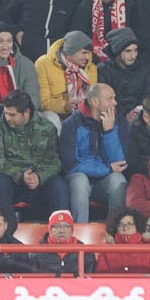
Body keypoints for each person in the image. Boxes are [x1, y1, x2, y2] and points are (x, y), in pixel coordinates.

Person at [0, 90, 66, 220]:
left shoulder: (47, 128)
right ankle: (5, 232)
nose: (7, 118)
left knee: (58, 184)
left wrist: (39, 177)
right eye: (6, 113)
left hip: (38, 182)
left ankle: (60, 229)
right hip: (12, 181)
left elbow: (54, 162)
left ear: (26, 112)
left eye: (12, 114)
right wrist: (20, 176)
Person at [58, 83, 127, 220]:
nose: (115, 102)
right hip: (80, 179)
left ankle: (115, 230)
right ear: (94, 102)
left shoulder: (119, 122)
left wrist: (109, 132)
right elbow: (70, 165)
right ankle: (79, 233)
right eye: (110, 98)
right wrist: (107, 168)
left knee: (118, 180)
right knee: (80, 181)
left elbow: (120, 164)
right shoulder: (71, 124)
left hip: (105, 180)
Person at [35, 31, 94, 128]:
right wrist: (66, 106)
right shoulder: (43, 64)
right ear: (70, 52)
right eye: (84, 53)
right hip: (54, 113)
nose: (87, 57)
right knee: (52, 119)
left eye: (89, 53)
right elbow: (42, 102)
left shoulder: (90, 68)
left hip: (82, 112)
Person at [98, 27, 150, 121]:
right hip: (111, 121)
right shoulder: (102, 70)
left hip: (141, 121)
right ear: (116, 51)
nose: (133, 56)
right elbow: (102, 102)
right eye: (128, 51)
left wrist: (137, 112)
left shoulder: (146, 69)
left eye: (135, 50)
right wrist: (123, 117)